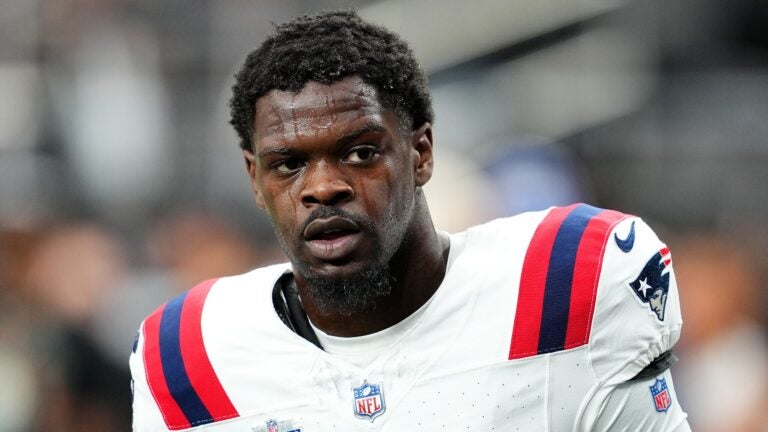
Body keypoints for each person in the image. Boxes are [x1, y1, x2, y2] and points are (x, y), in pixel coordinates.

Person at [130, 10, 690, 431]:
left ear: (420, 153)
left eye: (360, 153)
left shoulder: (570, 283)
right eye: (289, 164)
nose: (323, 187)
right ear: (255, 179)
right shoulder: (187, 355)